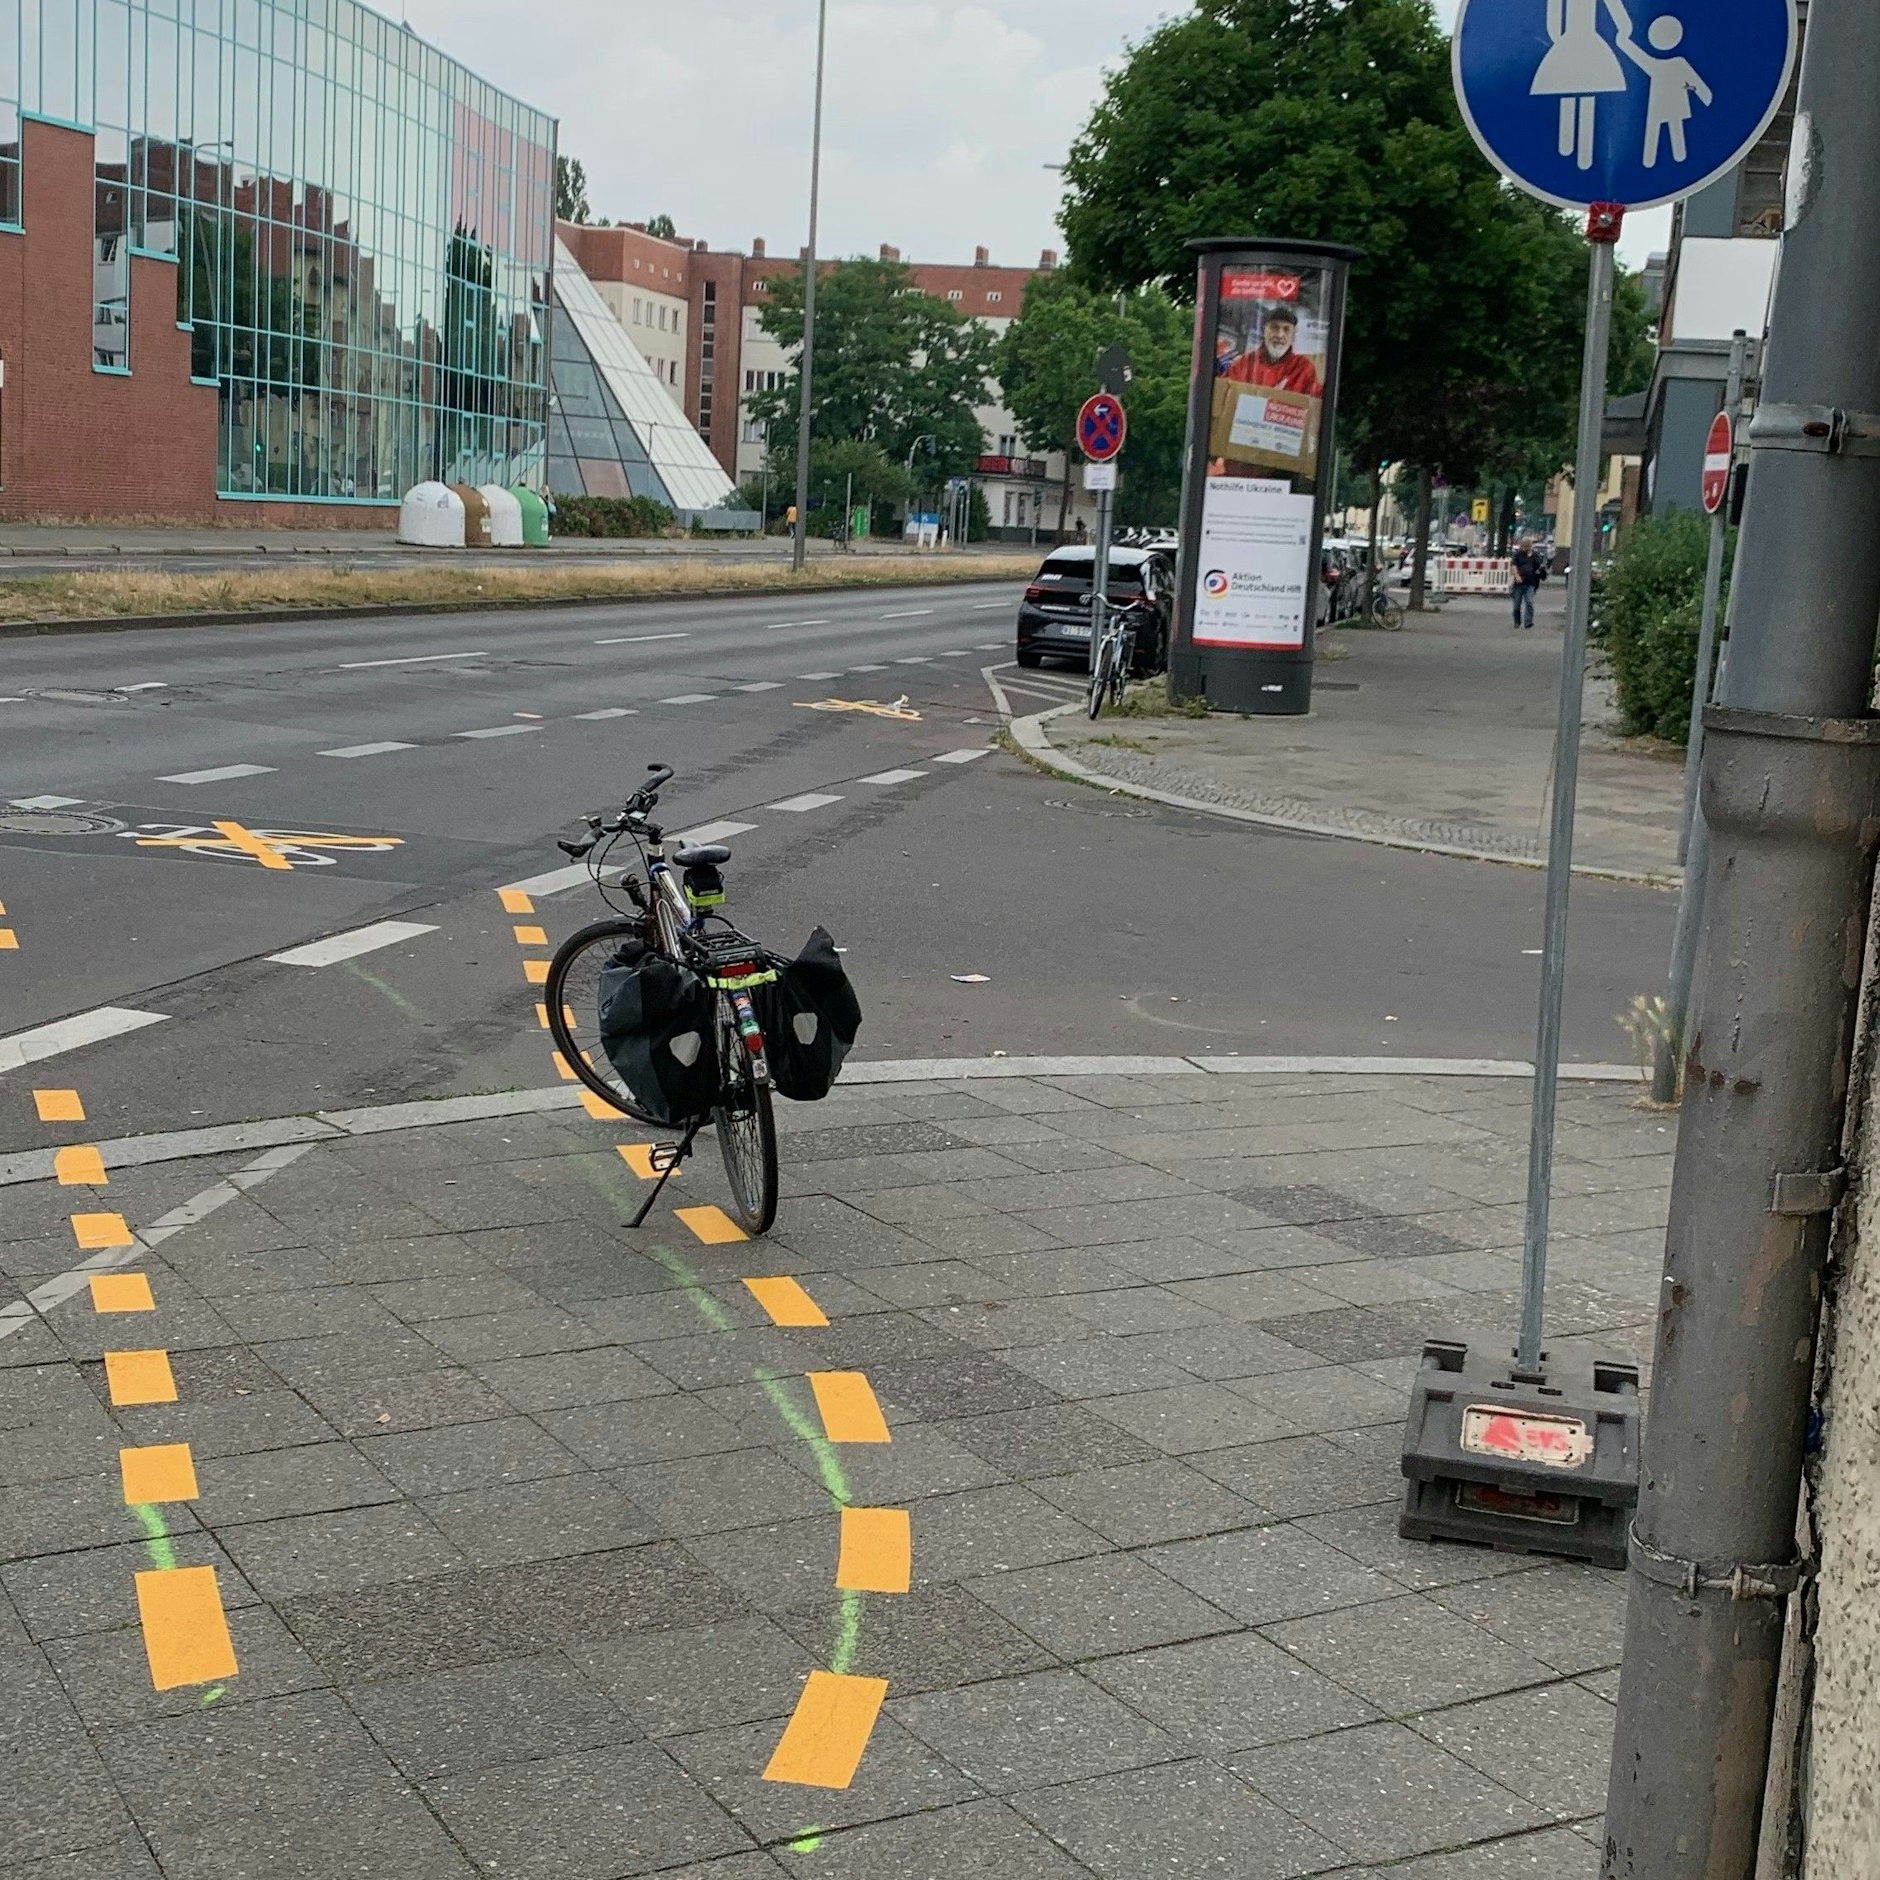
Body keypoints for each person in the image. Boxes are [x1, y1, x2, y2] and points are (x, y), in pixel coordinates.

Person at [1221, 305, 1323, 398]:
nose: (1280, 335)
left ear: (1293, 335)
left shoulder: (1304, 369)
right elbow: (1222, 394)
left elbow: (1316, 404)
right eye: (1274, 327)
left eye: (1286, 329)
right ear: (1264, 331)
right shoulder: (1243, 364)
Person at [1511, 537, 1544, 629]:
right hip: (1518, 584)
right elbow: (1513, 566)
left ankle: (1528, 621)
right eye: (1524, 546)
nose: (1525, 548)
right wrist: (1517, 576)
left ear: (1530, 546)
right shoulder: (1517, 554)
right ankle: (1517, 621)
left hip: (1530, 583)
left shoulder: (1535, 555)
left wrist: (1532, 556)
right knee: (1516, 605)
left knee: (1529, 602)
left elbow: (1539, 566)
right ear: (1521, 546)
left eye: (1527, 546)